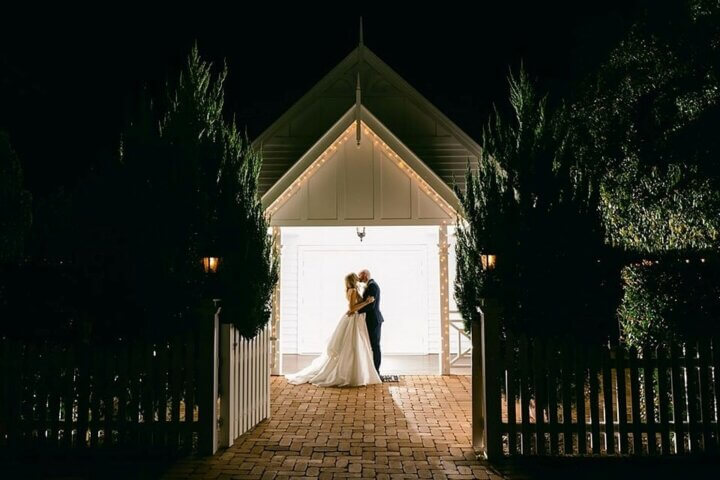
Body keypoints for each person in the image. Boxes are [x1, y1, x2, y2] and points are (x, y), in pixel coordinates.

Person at [285, 273, 382, 387]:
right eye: (357, 278)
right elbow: (351, 308)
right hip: (353, 319)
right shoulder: (353, 291)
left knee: (354, 346)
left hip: (355, 319)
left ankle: (356, 372)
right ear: (353, 280)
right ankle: (351, 373)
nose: (359, 280)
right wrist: (366, 302)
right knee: (351, 346)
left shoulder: (352, 290)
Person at [358, 269, 383, 375]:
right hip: (371, 320)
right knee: (372, 345)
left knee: (375, 346)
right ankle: (372, 370)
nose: (359, 278)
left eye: (360, 275)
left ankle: (376, 371)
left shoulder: (372, 286)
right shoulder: (371, 285)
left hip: (373, 320)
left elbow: (371, 305)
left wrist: (357, 310)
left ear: (365, 275)